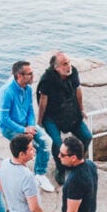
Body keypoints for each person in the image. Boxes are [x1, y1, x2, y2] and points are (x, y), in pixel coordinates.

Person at [0, 61, 55, 193]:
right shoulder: (7, 92)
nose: (33, 76)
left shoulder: (27, 89)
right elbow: (4, 119)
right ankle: (19, 178)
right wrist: (23, 131)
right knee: (27, 149)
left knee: (46, 142)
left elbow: (30, 110)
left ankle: (39, 174)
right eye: (30, 74)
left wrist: (31, 126)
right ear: (19, 76)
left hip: (25, 125)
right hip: (10, 128)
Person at [37, 52, 92, 185]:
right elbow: (43, 100)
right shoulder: (47, 79)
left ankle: (76, 161)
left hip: (70, 111)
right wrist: (40, 121)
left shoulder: (73, 72)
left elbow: (78, 90)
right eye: (65, 64)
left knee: (86, 136)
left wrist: (81, 109)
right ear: (56, 68)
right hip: (52, 116)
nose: (69, 66)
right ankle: (60, 168)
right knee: (57, 143)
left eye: (69, 62)